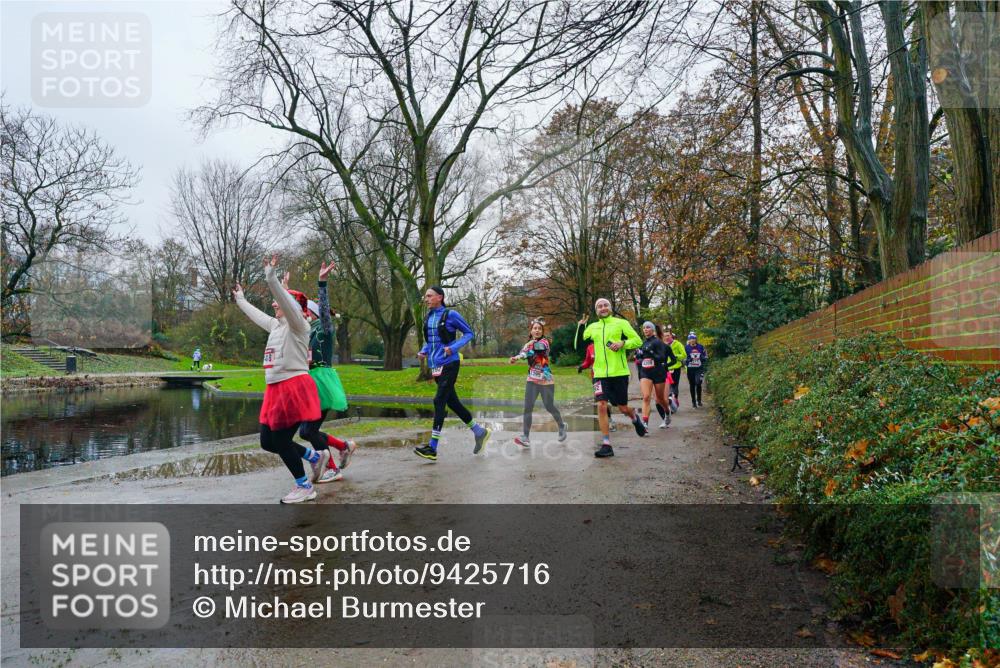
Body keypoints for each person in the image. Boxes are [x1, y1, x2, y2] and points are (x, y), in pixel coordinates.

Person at [233, 255, 323, 504]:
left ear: (294, 306)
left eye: (278, 301)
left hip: (293, 386)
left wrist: (271, 277)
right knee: (267, 442)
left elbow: (287, 302)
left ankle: (304, 486)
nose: (273, 305)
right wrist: (241, 300)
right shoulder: (276, 326)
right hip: (275, 388)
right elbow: (256, 315)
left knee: (281, 440)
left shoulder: (299, 326)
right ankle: (314, 457)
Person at [294, 262, 358, 484]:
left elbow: (323, 310)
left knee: (308, 431)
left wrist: (322, 283)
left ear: (312, 312)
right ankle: (343, 446)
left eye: (304, 311)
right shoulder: (305, 330)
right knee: (306, 431)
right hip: (309, 381)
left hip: (321, 381)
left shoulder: (324, 327)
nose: (301, 314)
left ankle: (332, 466)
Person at [413, 286, 491, 461]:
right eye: (425, 296)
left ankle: (432, 447)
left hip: (450, 363)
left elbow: (468, 333)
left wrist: (453, 348)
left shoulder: (451, 315)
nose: (426, 299)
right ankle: (480, 432)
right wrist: (423, 351)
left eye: (429, 296)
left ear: (440, 297)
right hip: (436, 365)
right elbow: (432, 341)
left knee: (439, 400)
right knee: (453, 402)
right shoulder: (428, 317)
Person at [575, 298, 646, 459]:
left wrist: (622, 343)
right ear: (596, 311)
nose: (603, 308)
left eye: (605, 305)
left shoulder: (620, 323)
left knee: (622, 408)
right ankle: (606, 444)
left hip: (619, 373)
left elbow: (637, 340)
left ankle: (634, 417)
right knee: (601, 405)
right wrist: (581, 326)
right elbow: (580, 341)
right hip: (599, 374)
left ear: (610, 308)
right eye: (599, 306)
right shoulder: (593, 327)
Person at [509, 318, 567, 447]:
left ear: (542, 331)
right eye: (535, 328)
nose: (537, 330)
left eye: (539, 329)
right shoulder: (528, 344)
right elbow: (523, 353)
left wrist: (525, 353)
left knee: (549, 406)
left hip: (546, 381)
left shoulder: (545, 343)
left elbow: (535, 350)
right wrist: (516, 358)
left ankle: (562, 426)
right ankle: (526, 437)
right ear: (531, 330)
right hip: (532, 380)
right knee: (528, 407)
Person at [634, 321, 676, 430]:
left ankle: (667, 412)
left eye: (648, 327)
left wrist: (652, 353)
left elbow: (661, 357)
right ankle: (645, 424)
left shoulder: (658, 342)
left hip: (658, 373)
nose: (645, 329)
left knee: (660, 399)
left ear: (653, 330)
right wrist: (639, 356)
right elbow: (640, 359)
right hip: (646, 373)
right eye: (644, 328)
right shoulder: (643, 343)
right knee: (646, 397)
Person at [578, 342, 617, 431]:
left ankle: (630, 413)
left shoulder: (608, 343)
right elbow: (588, 361)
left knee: (615, 401)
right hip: (596, 378)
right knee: (601, 400)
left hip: (610, 377)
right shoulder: (590, 347)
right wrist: (582, 366)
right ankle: (609, 422)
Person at [663, 330, 687, 412]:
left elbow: (684, 355)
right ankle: (670, 403)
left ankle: (674, 400)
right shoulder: (663, 345)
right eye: (665, 336)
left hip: (676, 367)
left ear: (671, 336)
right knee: (668, 386)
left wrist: (675, 356)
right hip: (666, 368)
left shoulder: (677, 344)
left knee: (674, 385)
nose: (666, 337)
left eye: (668, 335)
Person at [685, 332, 708, 408]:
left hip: (699, 369)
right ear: (689, 340)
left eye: (694, 338)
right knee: (692, 385)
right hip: (690, 369)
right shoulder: (686, 348)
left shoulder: (701, 347)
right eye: (691, 339)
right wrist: (688, 360)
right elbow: (683, 359)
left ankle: (699, 400)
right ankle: (693, 402)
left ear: (696, 339)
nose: (692, 340)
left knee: (698, 383)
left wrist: (703, 358)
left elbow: (706, 356)